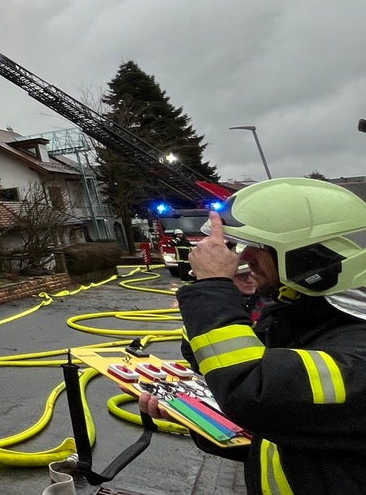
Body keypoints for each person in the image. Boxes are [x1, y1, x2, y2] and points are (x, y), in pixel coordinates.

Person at [139, 177, 366, 495]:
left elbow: (251, 393)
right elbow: (281, 432)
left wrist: (213, 288)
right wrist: (196, 415)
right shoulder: (304, 326)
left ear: (308, 257)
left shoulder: (356, 353)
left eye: (258, 249)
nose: (243, 259)